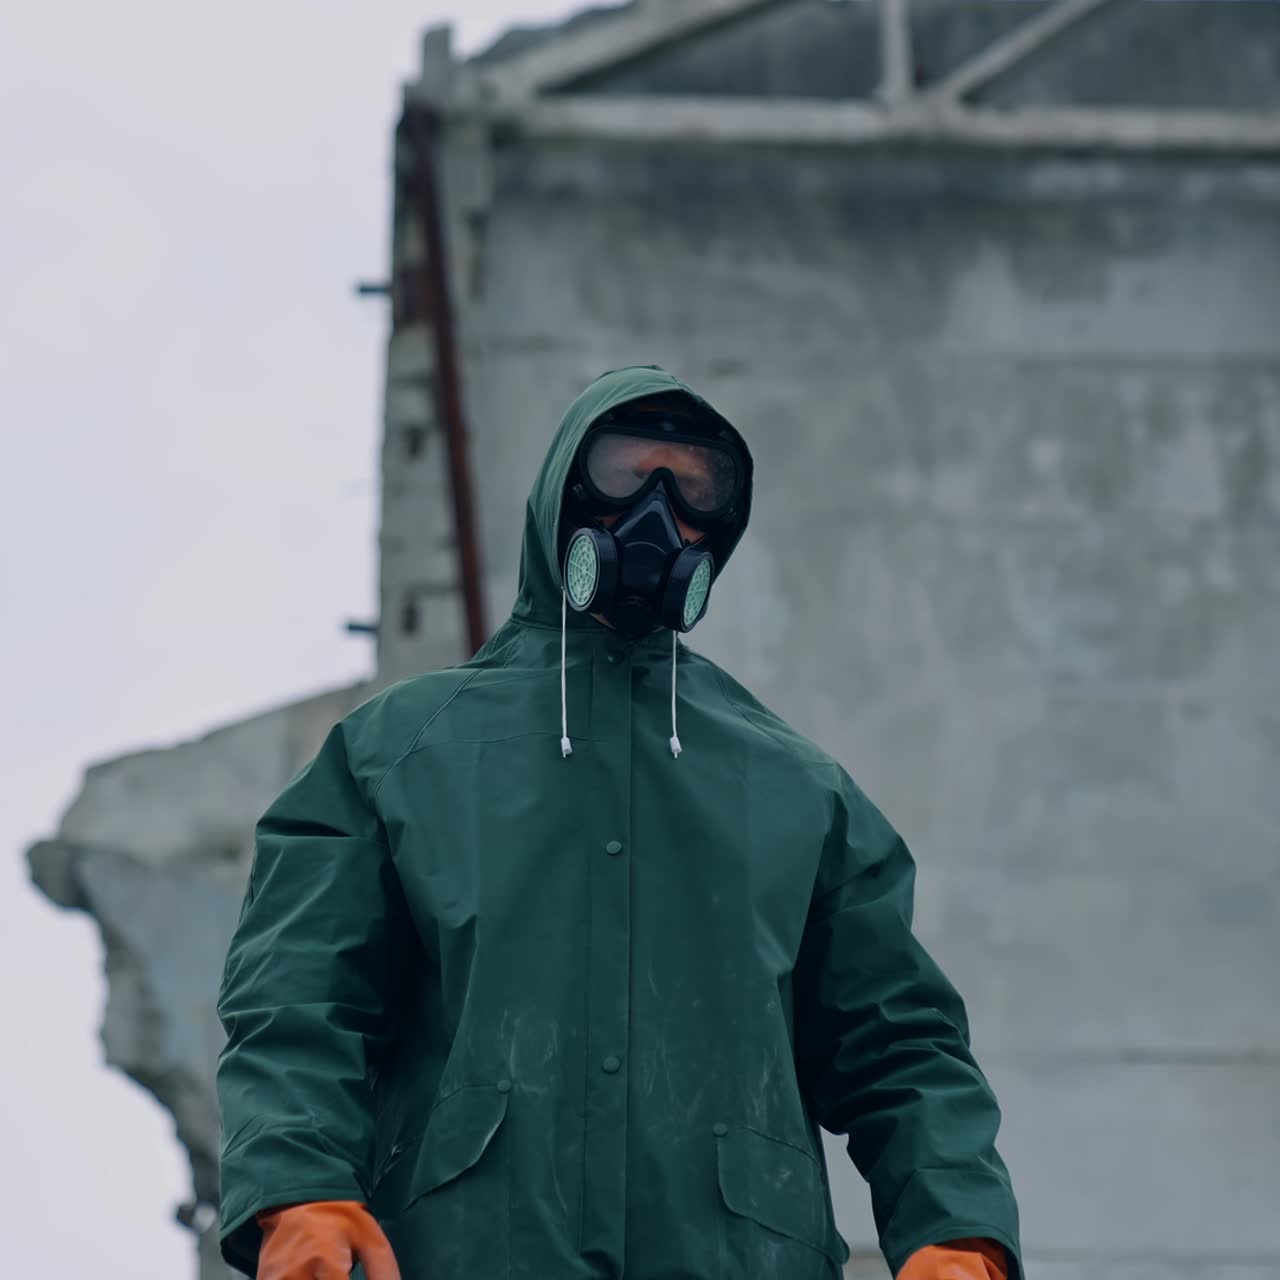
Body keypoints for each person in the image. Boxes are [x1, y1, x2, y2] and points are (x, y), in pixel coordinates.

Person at [216, 365, 1022, 1280]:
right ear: (564, 495)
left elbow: (902, 1042)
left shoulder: (799, 789)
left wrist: (958, 1232)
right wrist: (298, 1187)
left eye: (693, 489)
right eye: (625, 474)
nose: (656, 514)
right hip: (470, 1253)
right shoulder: (397, 753)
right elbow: (300, 1002)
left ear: (721, 529)